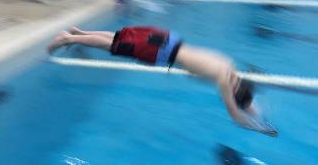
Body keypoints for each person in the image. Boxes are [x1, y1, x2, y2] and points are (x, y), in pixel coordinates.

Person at [47, 26, 277, 136]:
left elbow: (247, 102)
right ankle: (67, 38)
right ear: (236, 92)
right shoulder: (224, 81)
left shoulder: (228, 65)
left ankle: (79, 32)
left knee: (120, 39)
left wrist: (257, 114)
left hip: (169, 38)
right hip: (163, 52)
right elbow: (236, 116)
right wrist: (263, 129)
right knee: (113, 46)